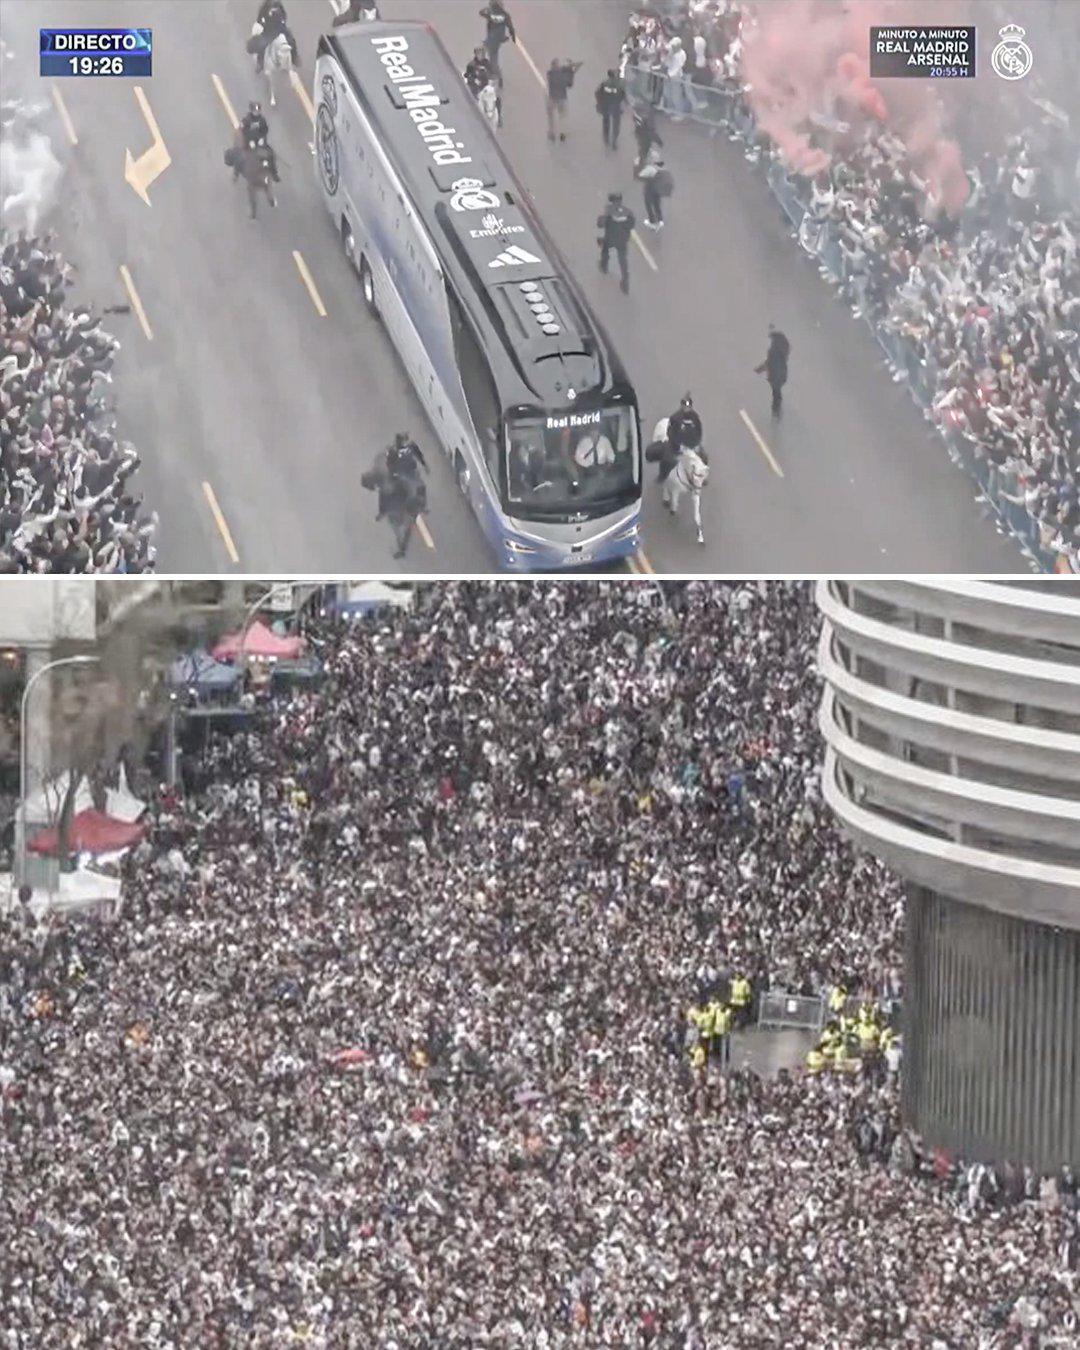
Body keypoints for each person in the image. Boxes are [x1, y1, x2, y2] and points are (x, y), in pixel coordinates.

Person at [597, 192, 634, 295]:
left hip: (611, 238)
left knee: (605, 250)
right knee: (622, 259)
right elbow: (631, 224)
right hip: (623, 240)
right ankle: (625, 279)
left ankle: (604, 266)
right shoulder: (628, 211)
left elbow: (601, 224)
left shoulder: (609, 210)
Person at [252, 0, 298, 74]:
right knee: (261, 44)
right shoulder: (265, 6)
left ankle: (294, 57)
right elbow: (259, 18)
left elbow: (284, 15)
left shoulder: (279, 4)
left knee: (291, 39)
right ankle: (260, 64)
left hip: (279, 27)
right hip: (268, 29)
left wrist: (282, 22)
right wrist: (263, 24)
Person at [236, 102, 279, 183]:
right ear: (251, 111)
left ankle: (274, 173)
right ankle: (236, 172)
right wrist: (249, 141)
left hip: (259, 141)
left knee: (271, 154)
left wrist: (262, 138)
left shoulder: (262, 119)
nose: (257, 112)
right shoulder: (246, 120)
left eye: (258, 111)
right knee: (240, 157)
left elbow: (265, 130)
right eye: (255, 111)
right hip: (249, 142)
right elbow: (244, 132)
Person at [755, 325, 790, 419]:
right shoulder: (782, 348)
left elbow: (769, 362)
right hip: (781, 373)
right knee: (777, 393)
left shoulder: (775, 349)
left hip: (776, 374)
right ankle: (777, 414)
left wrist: (759, 370)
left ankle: (776, 416)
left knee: (776, 394)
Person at [546, 58, 582, 143]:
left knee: (551, 117)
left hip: (552, 98)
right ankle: (562, 133)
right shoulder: (563, 75)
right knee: (562, 117)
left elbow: (562, 71)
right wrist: (571, 72)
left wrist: (570, 69)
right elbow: (569, 84)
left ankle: (552, 133)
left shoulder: (550, 74)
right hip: (562, 98)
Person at [479, 1, 516, 81]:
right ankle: (497, 75)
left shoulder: (491, 14)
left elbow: (481, 13)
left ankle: (495, 75)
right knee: (493, 57)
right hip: (497, 39)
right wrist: (511, 36)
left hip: (493, 38)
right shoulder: (505, 15)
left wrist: (486, 9)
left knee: (489, 54)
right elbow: (511, 28)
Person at [595, 69, 627, 151]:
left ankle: (606, 139)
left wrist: (599, 103)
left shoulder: (604, 83)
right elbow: (623, 95)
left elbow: (598, 93)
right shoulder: (620, 84)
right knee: (616, 124)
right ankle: (614, 140)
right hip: (616, 106)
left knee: (606, 122)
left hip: (606, 105)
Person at [638, 156, 672, 230]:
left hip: (650, 189)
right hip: (658, 190)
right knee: (657, 204)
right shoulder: (663, 169)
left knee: (648, 204)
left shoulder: (650, 168)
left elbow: (640, 176)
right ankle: (660, 219)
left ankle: (652, 220)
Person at [632, 101, 662, 172]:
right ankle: (644, 166)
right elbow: (650, 130)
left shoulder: (637, 115)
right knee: (646, 151)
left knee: (643, 150)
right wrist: (658, 140)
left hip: (640, 134)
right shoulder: (647, 117)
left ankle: (641, 165)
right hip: (646, 136)